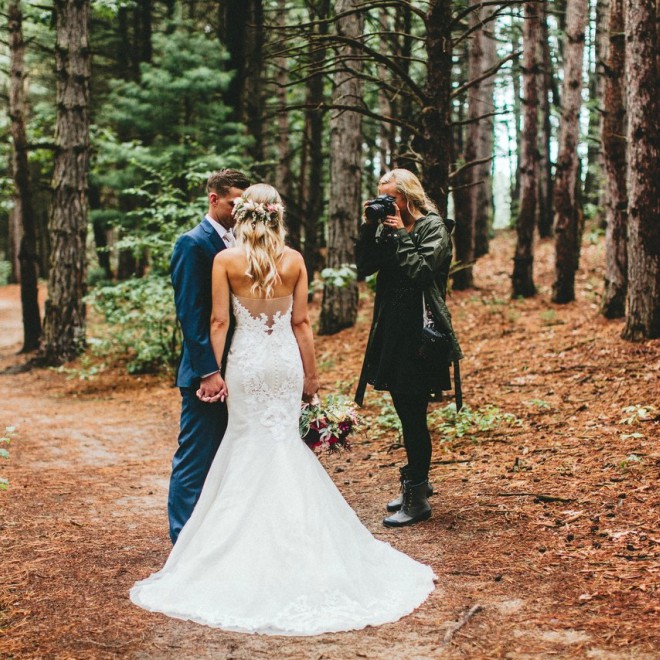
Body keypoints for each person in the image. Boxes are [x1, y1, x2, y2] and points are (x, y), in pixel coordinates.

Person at [131, 184, 435, 635]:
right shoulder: (293, 260)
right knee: (284, 444)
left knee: (245, 444)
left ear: (245, 216)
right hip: (284, 365)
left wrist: (209, 374)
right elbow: (301, 323)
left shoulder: (225, 261)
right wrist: (311, 378)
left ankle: (235, 550)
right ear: (277, 217)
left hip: (247, 366)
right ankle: (303, 546)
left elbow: (218, 322)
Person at [355, 169, 463, 528]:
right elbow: (364, 268)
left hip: (420, 337)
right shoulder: (388, 226)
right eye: (381, 197)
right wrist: (371, 226)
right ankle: (416, 482)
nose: (388, 204)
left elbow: (420, 273)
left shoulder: (434, 228)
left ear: (408, 197)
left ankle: (417, 497)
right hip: (393, 333)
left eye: (392, 198)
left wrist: (400, 232)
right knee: (405, 412)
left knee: (413, 414)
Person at [168, 168, 250, 544]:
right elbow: (190, 313)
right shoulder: (192, 243)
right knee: (195, 460)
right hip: (206, 373)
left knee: (227, 458)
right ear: (214, 199)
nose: (240, 210)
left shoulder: (241, 243)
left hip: (239, 367)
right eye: (235, 203)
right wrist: (207, 371)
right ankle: (182, 540)